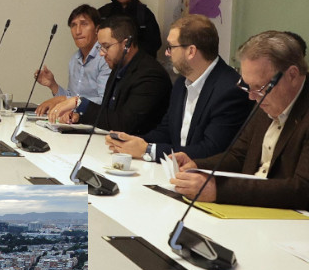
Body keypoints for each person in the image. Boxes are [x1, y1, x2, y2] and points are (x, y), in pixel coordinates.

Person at [170, 30, 309, 216]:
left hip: (307, 224)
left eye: (259, 87)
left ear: (292, 74)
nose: (251, 96)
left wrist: (219, 189)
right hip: (257, 211)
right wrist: (197, 166)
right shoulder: (267, 96)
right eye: (247, 86)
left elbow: (305, 190)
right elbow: (239, 155)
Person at [106, 14, 251, 161]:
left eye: (171, 47)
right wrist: (130, 141)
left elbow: (211, 150)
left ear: (191, 51)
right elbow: (166, 131)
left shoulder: (230, 90)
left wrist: (148, 150)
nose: (167, 53)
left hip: (202, 178)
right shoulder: (181, 83)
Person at [47, 16, 170, 135]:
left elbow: (124, 124)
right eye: (100, 47)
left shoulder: (150, 75)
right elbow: (108, 114)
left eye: (106, 47)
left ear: (126, 45)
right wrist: (78, 116)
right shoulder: (118, 68)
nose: (101, 53)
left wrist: (80, 103)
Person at [34, 4, 111, 116]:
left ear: (97, 29)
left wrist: (67, 101)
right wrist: (53, 85)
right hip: (73, 121)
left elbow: (104, 102)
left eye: (84, 24)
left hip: (96, 124)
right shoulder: (74, 59)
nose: (78, 31)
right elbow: (70, 98)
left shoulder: (105, 58)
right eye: (73, 25)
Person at [97, 0, 161, 57]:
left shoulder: (144, 13)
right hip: (108, 59)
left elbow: (155, 42)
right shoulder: (104, 12)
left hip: (139, 61)